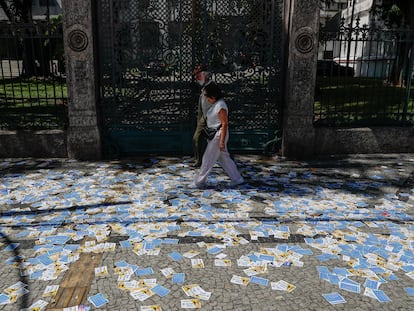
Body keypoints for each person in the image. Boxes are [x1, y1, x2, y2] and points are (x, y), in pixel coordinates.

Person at [192, 82, 244, 188]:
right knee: (224, 158)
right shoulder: (216, 104)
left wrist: (221, 142)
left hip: (218, 135)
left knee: (208, 158)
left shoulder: (221, 106)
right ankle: (237, 178)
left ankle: (199, 181)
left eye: (208, 97)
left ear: (213, 96)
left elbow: (224, 124)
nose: (207, 99)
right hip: (217, 135)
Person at [191, 64, 212, 167]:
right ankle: (200, 160)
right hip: (203, 116)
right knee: (198, 139)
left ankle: (200, 161)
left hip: (209, 117)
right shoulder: (205, 86)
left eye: (198, 76)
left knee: (197, 138)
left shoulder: (211, 87)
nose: (197, 79)